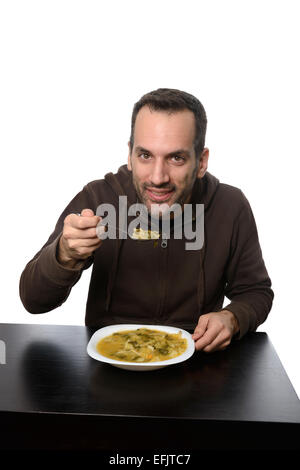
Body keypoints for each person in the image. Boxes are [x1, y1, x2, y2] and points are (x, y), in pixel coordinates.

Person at [19, 88, 274, 353]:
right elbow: (33, 301)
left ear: (201, 161)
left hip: (197, 363)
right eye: (145, 155)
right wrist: (64, 255)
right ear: (130, 155)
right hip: (110, 364)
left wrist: (232, 317)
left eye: (176, 158)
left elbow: (256, 292)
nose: (157, 177)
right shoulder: (98, 198)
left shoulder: (230, 206)